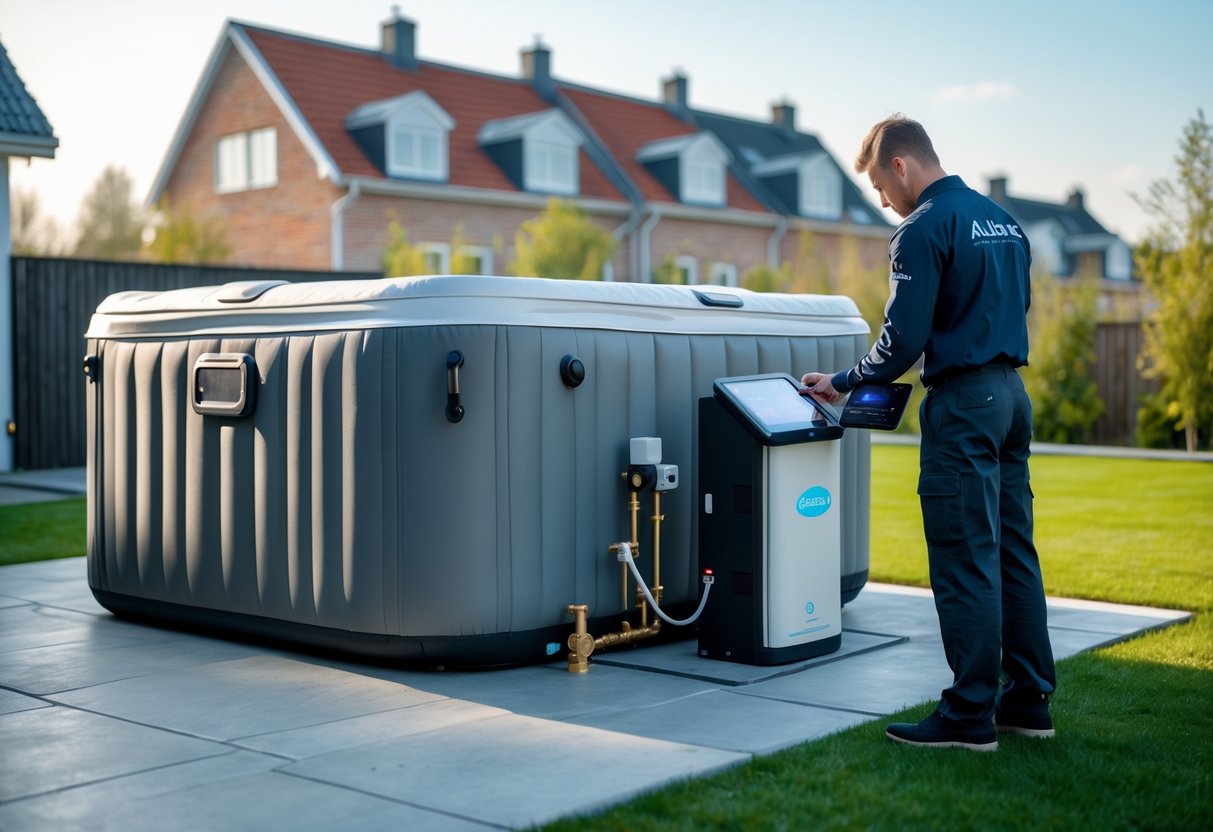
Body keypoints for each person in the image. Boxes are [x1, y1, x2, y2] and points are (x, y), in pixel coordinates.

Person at [802, 115, 1056, 752]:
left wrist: (844, 379)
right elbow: (1012, 307)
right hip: (1011, 398)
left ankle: (970, 714)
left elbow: (902, 341)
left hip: (964, 406)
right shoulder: (1005, 221)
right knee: (1012, 553)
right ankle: (1027, 702)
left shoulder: (920, 230)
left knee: (965, 556)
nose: (885, 204)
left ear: (900, 167)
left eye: (881, 191)